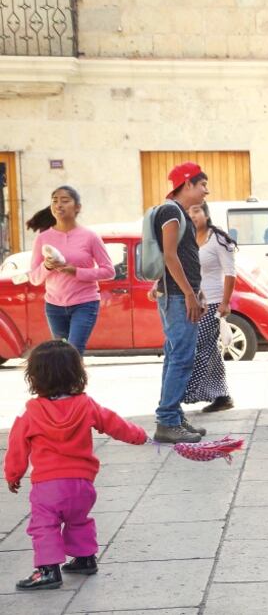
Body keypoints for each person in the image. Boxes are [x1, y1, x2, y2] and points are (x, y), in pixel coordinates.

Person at [4, 340, 148, 591]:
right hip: (82, 485)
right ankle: (84, 559)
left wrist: (13, 475)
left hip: (48, 487)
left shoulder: (31, 413)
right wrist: (140, 436)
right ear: (77, 373)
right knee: (79, 520)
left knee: (44, 526)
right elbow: (116, 424)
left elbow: (17, 446)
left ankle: (48, 570)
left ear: (34, 376)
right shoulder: (86, 404)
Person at [153, 162, 210, 444]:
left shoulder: (177, 212)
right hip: (176, 296)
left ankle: (172, 416)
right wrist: (189, 293)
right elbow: (170, 256)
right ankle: (167, 420)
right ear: (187, 184)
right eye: (202, 185)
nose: (206, 191)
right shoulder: (170, 211)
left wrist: (195, 291)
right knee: (181, 358)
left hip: (180, 293)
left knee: (176, 356)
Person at [27, 187, 115, 355]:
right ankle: (63, 382)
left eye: (65, 201)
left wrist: (76, 272)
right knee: (60, 354)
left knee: (74, 350)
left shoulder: (90, 236)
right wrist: (46, 266)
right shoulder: (42, 238)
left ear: (77, 207)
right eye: (54, 200)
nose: (58, 205)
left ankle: (76, 382)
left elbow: (108, 271)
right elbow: (34, 278)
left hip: (85, 303)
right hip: (54, 305)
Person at [182, 202, 237, 413]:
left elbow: (230, 272)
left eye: (196, 210)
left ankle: (188, 392)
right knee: (209, 349)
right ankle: (222, 396)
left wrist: (225, 301)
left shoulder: (218, 239)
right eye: (188, 211)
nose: (192, 215)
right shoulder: (186, 239)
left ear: (206, 213)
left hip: (213, 302)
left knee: (199, 347)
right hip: (194, 302)